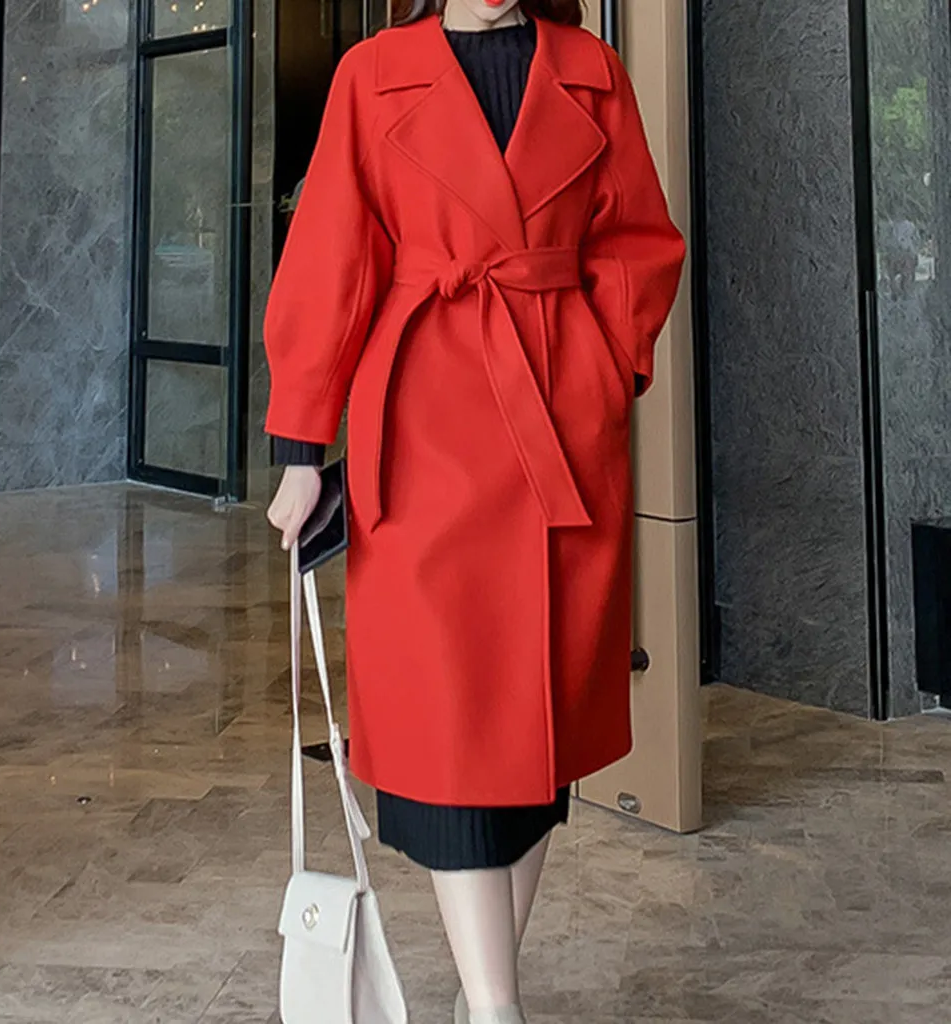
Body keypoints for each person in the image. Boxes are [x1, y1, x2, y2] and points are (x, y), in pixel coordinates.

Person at [263, 0, 685, 1021]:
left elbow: (640, 243)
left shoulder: (591, 70)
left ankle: (483, 998)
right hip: (424, 421)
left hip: (559, 425)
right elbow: (331, 255)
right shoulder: (373, 73)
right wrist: (301, 447)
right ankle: (496, 1008)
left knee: (539, 735)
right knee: (452, 723)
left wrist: (599, 362)